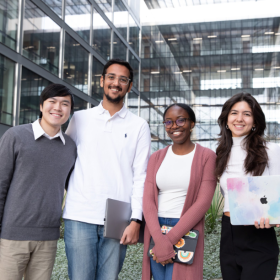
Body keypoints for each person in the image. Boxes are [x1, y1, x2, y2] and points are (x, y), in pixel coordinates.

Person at [63, 58, 151, 280]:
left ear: (129, 86)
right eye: (111, 77)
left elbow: (141, 176)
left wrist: (136, 220)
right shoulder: (80, 118)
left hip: (118, 216)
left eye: (123, 79)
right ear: (102, 81)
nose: (116, 83)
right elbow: (65, 161)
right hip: (79, 213)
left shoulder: (139, 126)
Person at [0, 84, 77, 280]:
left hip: (48, 238)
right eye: (52, 102)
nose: (58, 108)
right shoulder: (15, 136)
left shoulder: (70, 148)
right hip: (11, 236)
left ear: (70, 111)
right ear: (42, 106)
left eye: (64, 104)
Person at [142, 103, 217, 280]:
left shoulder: (206, 156)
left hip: (186, 229)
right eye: (168, 122)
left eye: (180, 120)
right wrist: (159, 238)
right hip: (156, 229)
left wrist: (169, 240)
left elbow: (203, 202)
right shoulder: (157, 157)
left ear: (192, 124)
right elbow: (148, 200)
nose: (174, 126)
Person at [216, 93, 280, 280]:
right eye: (234, 113)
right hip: (228, 233)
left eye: (247, 114)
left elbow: (278, 192)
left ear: (255, 121)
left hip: (259, 234)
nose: (239, 119)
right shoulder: (220, 153)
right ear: (226, 119)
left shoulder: (271, 150)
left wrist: (274, 217)